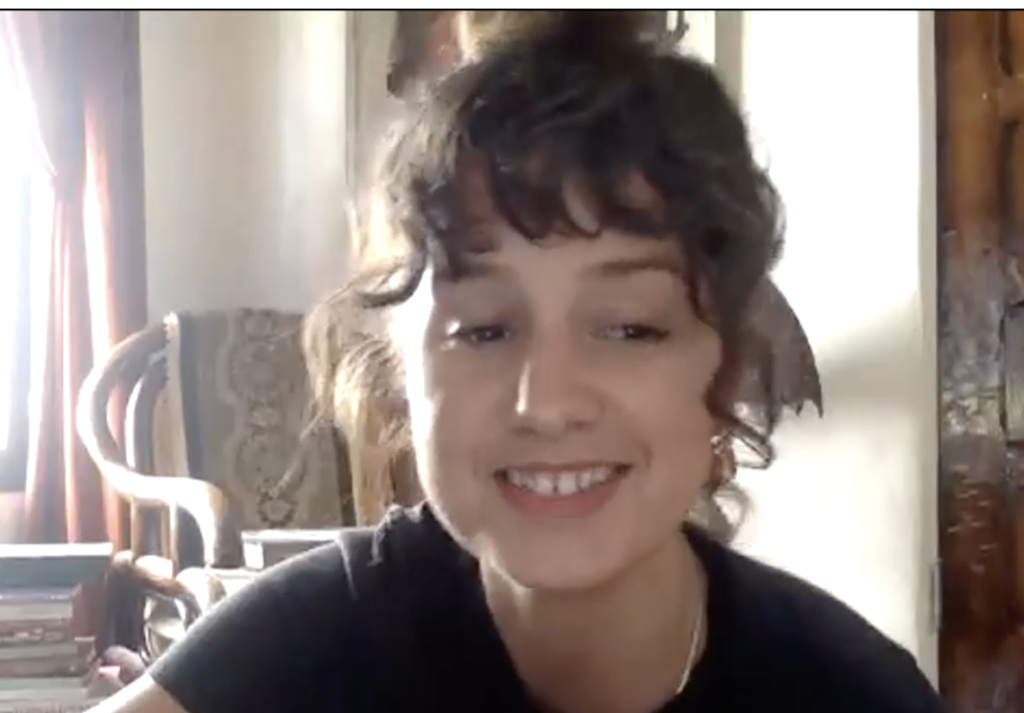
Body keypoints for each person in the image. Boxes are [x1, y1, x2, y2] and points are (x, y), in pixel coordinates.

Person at [93, 11, 947, 713]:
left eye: (628, 328)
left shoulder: (850, 688)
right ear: (401, 374)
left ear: (719, 373)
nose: (546, 403)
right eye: (485, 330)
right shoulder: (307, 638)